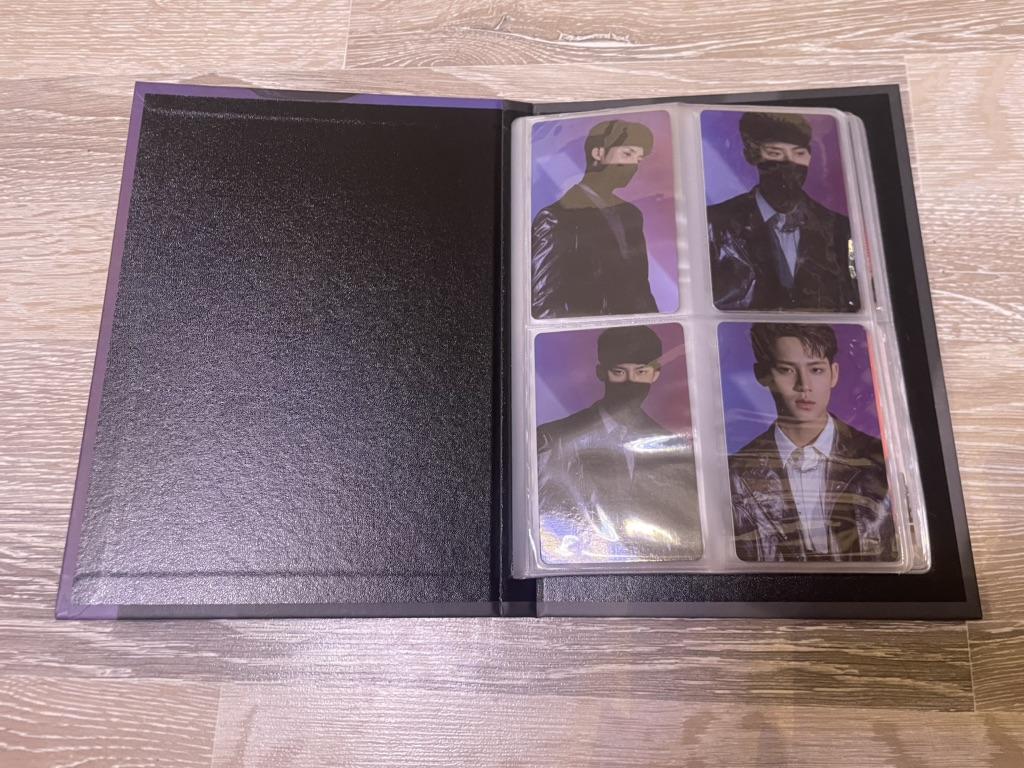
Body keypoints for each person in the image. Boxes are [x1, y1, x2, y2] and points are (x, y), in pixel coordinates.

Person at [729, 323, 894, 562]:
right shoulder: (734, 474)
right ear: (762, 375)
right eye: (787, 370)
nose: (804, 386)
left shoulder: (881, 459)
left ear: (833, 374)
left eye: (816, 370)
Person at [536, 325, 701, 563]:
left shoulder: (676, 450)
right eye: (619, 372)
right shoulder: (553, 440)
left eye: (641, 371)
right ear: (601, 373)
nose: (630, 382)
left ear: (655, 374)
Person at [707, 112, 859, 312]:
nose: (789, 164)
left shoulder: (839, 227)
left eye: (798, 153)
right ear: (752, 155)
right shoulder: (715, 223)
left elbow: (852, 301)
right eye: (775, 153)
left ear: (809, 155)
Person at [532, 120, 659, 319]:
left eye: (639, 159)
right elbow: (544, 305)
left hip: (637, 333)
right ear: (598, 153)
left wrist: (656, 327)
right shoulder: (556, 218)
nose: (634, 166)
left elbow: (642, 289)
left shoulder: (631, 215)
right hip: (590, 335)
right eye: (627, 154)